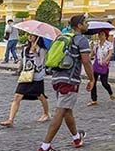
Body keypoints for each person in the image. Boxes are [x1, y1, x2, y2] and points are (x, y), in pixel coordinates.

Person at [37, 14, 95, 150]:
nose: (88, 25)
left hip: (57, 79)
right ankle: (45, 146)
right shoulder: (81, 40)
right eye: (86, 22)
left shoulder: (64, 37)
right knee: (60, 112)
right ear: (79, 26)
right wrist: (91, 79)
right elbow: (86, 62)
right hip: (70, 81)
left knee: (67, 111)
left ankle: (76, 139)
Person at [0, 34, 50, 127]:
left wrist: (36, 53)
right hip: (26, 76)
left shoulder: (42, 50)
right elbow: (23, 61)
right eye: (29, 35)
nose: (30, 37)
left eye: (32, 36)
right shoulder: (25, 49)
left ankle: (46, 113)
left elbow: (41, 64)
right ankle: (10, 119)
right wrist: (19, 70)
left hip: (36, 76)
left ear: (37, 37)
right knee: (17, 96)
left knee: (40, 96)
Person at [87, 30, 115, 106]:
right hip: (96, 66)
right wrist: (88, 56)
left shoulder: (109, 44)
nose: (100, 36)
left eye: (102, 34)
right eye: (99, 34)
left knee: (104, 83)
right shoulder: (96, 44)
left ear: (106, 35)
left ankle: (110, 93)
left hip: (104, 66)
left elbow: (110, 54)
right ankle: (94, 99)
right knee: (93, 82)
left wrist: (106, 59)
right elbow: (93, 54)